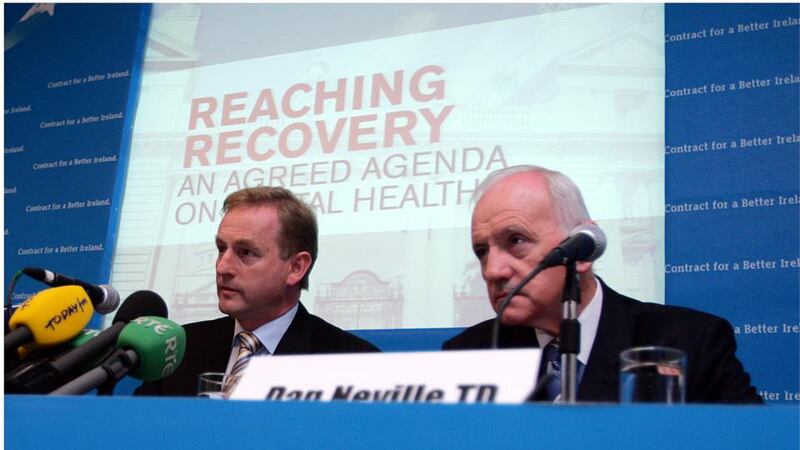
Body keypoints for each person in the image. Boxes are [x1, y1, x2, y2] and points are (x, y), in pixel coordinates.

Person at [442, 165, 762, 404]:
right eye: (482, 251)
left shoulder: (691, 341)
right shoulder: (468, 355)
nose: (492, 270)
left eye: (516, 240)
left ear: (583, 249)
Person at [136, 186, 378, 396]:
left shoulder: (352, 364)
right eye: (222, 248)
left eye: (246, 252)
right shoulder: (177, 352)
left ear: (296, 267)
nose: (223, 267)